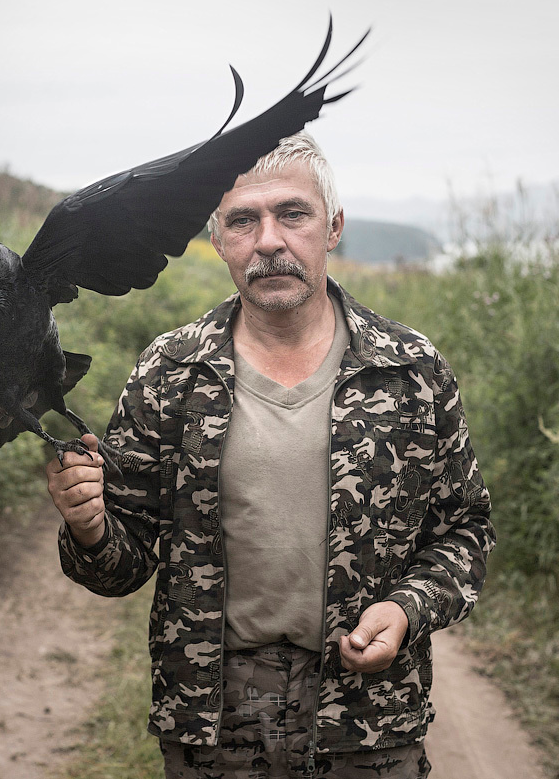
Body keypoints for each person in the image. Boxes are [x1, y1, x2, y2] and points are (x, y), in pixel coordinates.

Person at [45, 131, 494, 779]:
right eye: (243, 220)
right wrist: (89, 527)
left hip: (369, 714)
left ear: (333, 227)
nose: (269, 241)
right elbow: (123, 564)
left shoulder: (409, 371)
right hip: (213, 714)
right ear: (217, 238)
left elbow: (464, 531)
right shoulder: (172, 371)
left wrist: (405, 609)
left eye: (292, 213)